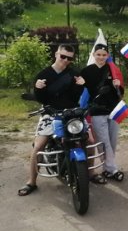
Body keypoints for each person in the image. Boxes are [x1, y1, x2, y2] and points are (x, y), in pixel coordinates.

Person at [18, 45, 85, 196]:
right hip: (50, 113)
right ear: (56, 54)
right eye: (63, 56)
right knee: (38, 147)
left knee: (89, 139)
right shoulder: (43, 74)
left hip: (70, 113)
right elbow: (42, 99)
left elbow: (75, 98)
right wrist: (38, 88)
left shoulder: (74, 74)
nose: (65, 60)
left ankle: (90, 175)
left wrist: (81, 86)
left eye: (69, 58)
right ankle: (31, 181)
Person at [79, 44, 124, 183]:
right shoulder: (86, 71)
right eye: (98, 54)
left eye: (104, 55)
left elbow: (120, 94)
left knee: (113, 140)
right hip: (97, 111)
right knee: (103, 141)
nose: (101, 57)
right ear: (93, 55)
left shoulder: (113, 69)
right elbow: (77, 90)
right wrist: (79, 84)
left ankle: (107, 167)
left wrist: (118, 86)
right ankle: (112, 169)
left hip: (114, 110)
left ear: (107, 56)